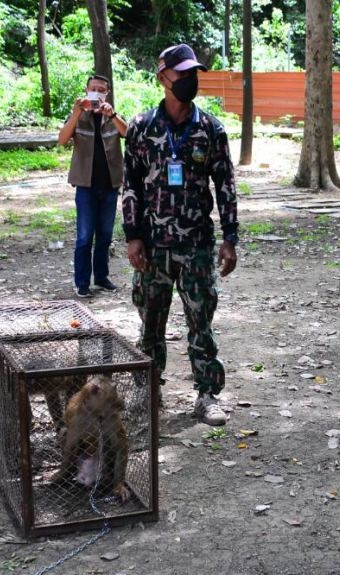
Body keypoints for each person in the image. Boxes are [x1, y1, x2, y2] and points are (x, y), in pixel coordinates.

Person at [122, 43, 238, 426]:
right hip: (153, 247)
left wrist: (230, 239)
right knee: (150, 324)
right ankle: (149, 392)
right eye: (182, 74)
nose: (189, 80)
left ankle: (207, 395)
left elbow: (225, 186)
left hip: (196, 245)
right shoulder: (140, 128)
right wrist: (133, 235)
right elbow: (131, 186)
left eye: (194, 74)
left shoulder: (210, 130)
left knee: (200, 322)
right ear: (163, 78)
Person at [58, 74, 129, 297]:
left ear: (107, 93)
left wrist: (113, 114)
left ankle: (101, 277)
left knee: (105, 235)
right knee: (84, 236)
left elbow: (128, 133)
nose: (97, 93)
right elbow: (62, 139)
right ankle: (82, 282)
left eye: (102, 89)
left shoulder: (111, 116)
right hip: (85, 186)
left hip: (110, 185)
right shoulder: (79, 115)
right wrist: (77, 112)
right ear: (86, 90)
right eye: (93, 89)